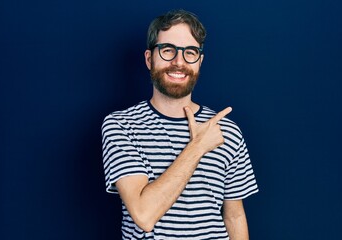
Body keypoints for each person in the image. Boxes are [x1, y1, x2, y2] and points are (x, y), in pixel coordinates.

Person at [101, 9, 258, 240]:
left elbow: (233, 216)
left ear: (200, 61)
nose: (179, 62)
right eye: (167, 50)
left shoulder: (227, 131)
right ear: (149, 58)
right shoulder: (121, 126)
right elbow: (144, 216)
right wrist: (198, 147)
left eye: (190, 52)